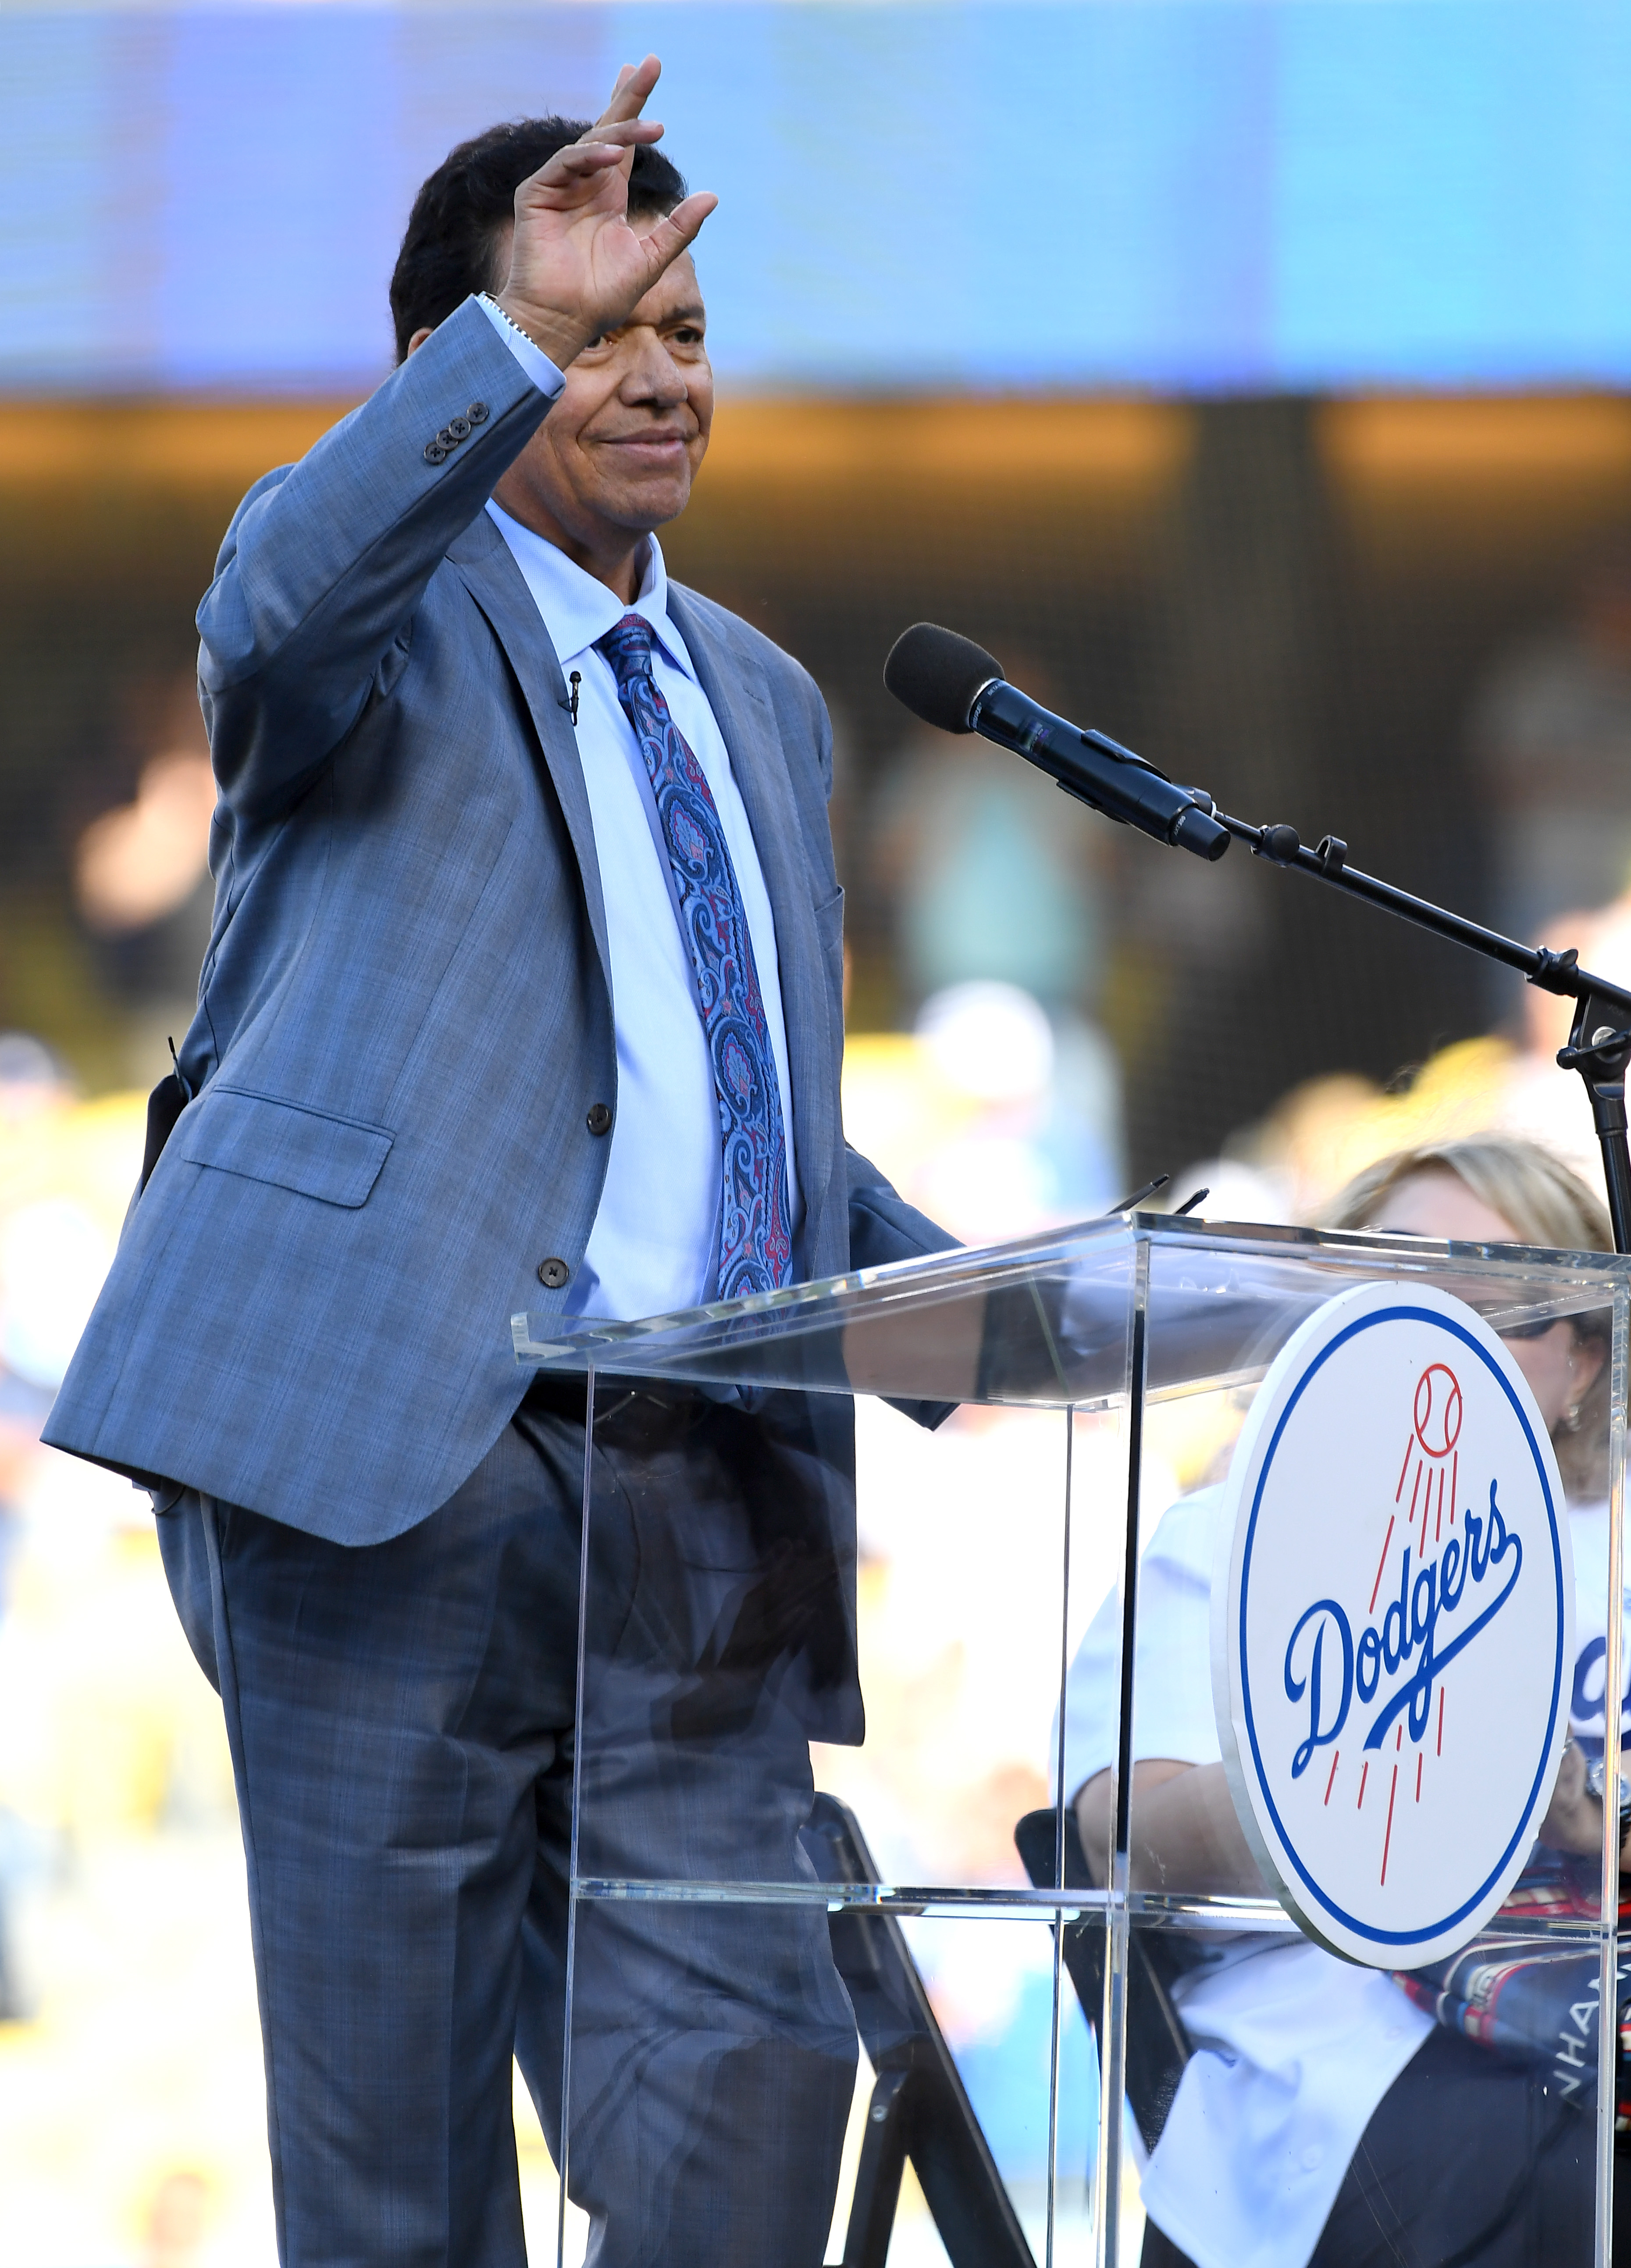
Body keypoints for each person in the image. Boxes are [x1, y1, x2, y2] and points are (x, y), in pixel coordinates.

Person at [43, 60, 953, 2268]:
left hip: (707, 1499)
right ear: (467, 360)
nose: (657, 374)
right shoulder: (365, 621)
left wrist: (993, 1299)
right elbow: (277, 591)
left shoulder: (763, 694)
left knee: (752, 2120)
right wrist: (510, 341)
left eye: (687, 333)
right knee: (397, 2191)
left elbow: (725, 1092)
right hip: (399, 1465)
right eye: (600, 330)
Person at [1063, 1134, 1625, 2268]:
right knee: (1546, 2151)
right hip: (1357, 2042)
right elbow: (1114, 1830)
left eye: (1504, 1298)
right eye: (1405, 1279)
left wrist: (1588, 1819)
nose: (1449, 1324)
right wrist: (1364, 1792)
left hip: (1592, 1993)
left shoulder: (1613, 1540)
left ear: (1581, 1363)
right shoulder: (1233, 1531)